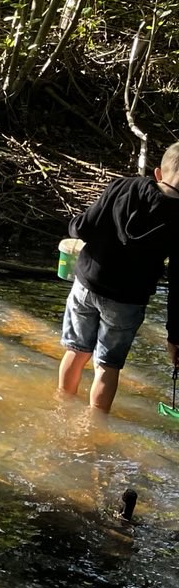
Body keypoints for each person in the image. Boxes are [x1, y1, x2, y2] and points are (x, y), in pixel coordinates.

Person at [57, 141, 179, 412]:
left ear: (158, 173)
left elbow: (84, 226)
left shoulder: (124, 186)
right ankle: (95, 426)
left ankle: (62, 409)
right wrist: (174, 335)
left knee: (76, 351)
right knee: (107, 366)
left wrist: (73, 227)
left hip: (88, 282)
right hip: (127, 300)